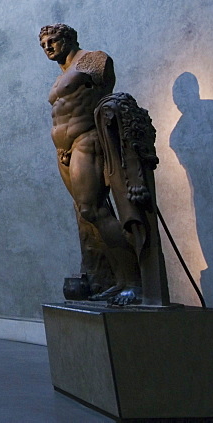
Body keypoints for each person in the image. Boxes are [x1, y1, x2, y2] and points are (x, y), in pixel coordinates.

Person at [40, 24, 141, 305]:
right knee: (88, 219)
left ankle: (136, 281)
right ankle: (117, 280)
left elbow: (108, 93)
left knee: (93, 210)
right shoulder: (61, 77)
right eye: (44, 43)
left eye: (53, 40)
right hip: (65, 150)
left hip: (87, 140)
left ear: (69, 39)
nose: (48, 46)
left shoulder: (92, 59)